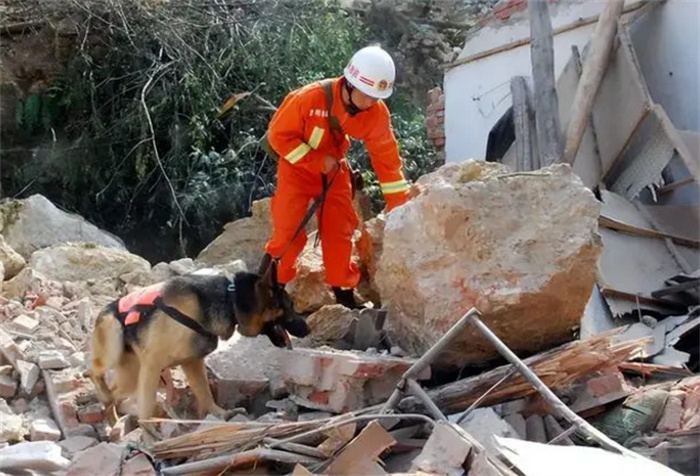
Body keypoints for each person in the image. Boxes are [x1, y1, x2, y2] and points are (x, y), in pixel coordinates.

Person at [260, 45, 410, 309]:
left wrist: (399, 205)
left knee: (339, 232)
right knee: (288, 233)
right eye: (366, 95)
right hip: (296, 171)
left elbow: (386, 158)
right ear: (349, 84)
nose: (370, 103)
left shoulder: (375, 113)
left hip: (334, 172)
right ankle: (270, 291)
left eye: (376, 97)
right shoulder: (309, 98)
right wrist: (315, 160)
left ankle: (344, 295)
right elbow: (278, 136)